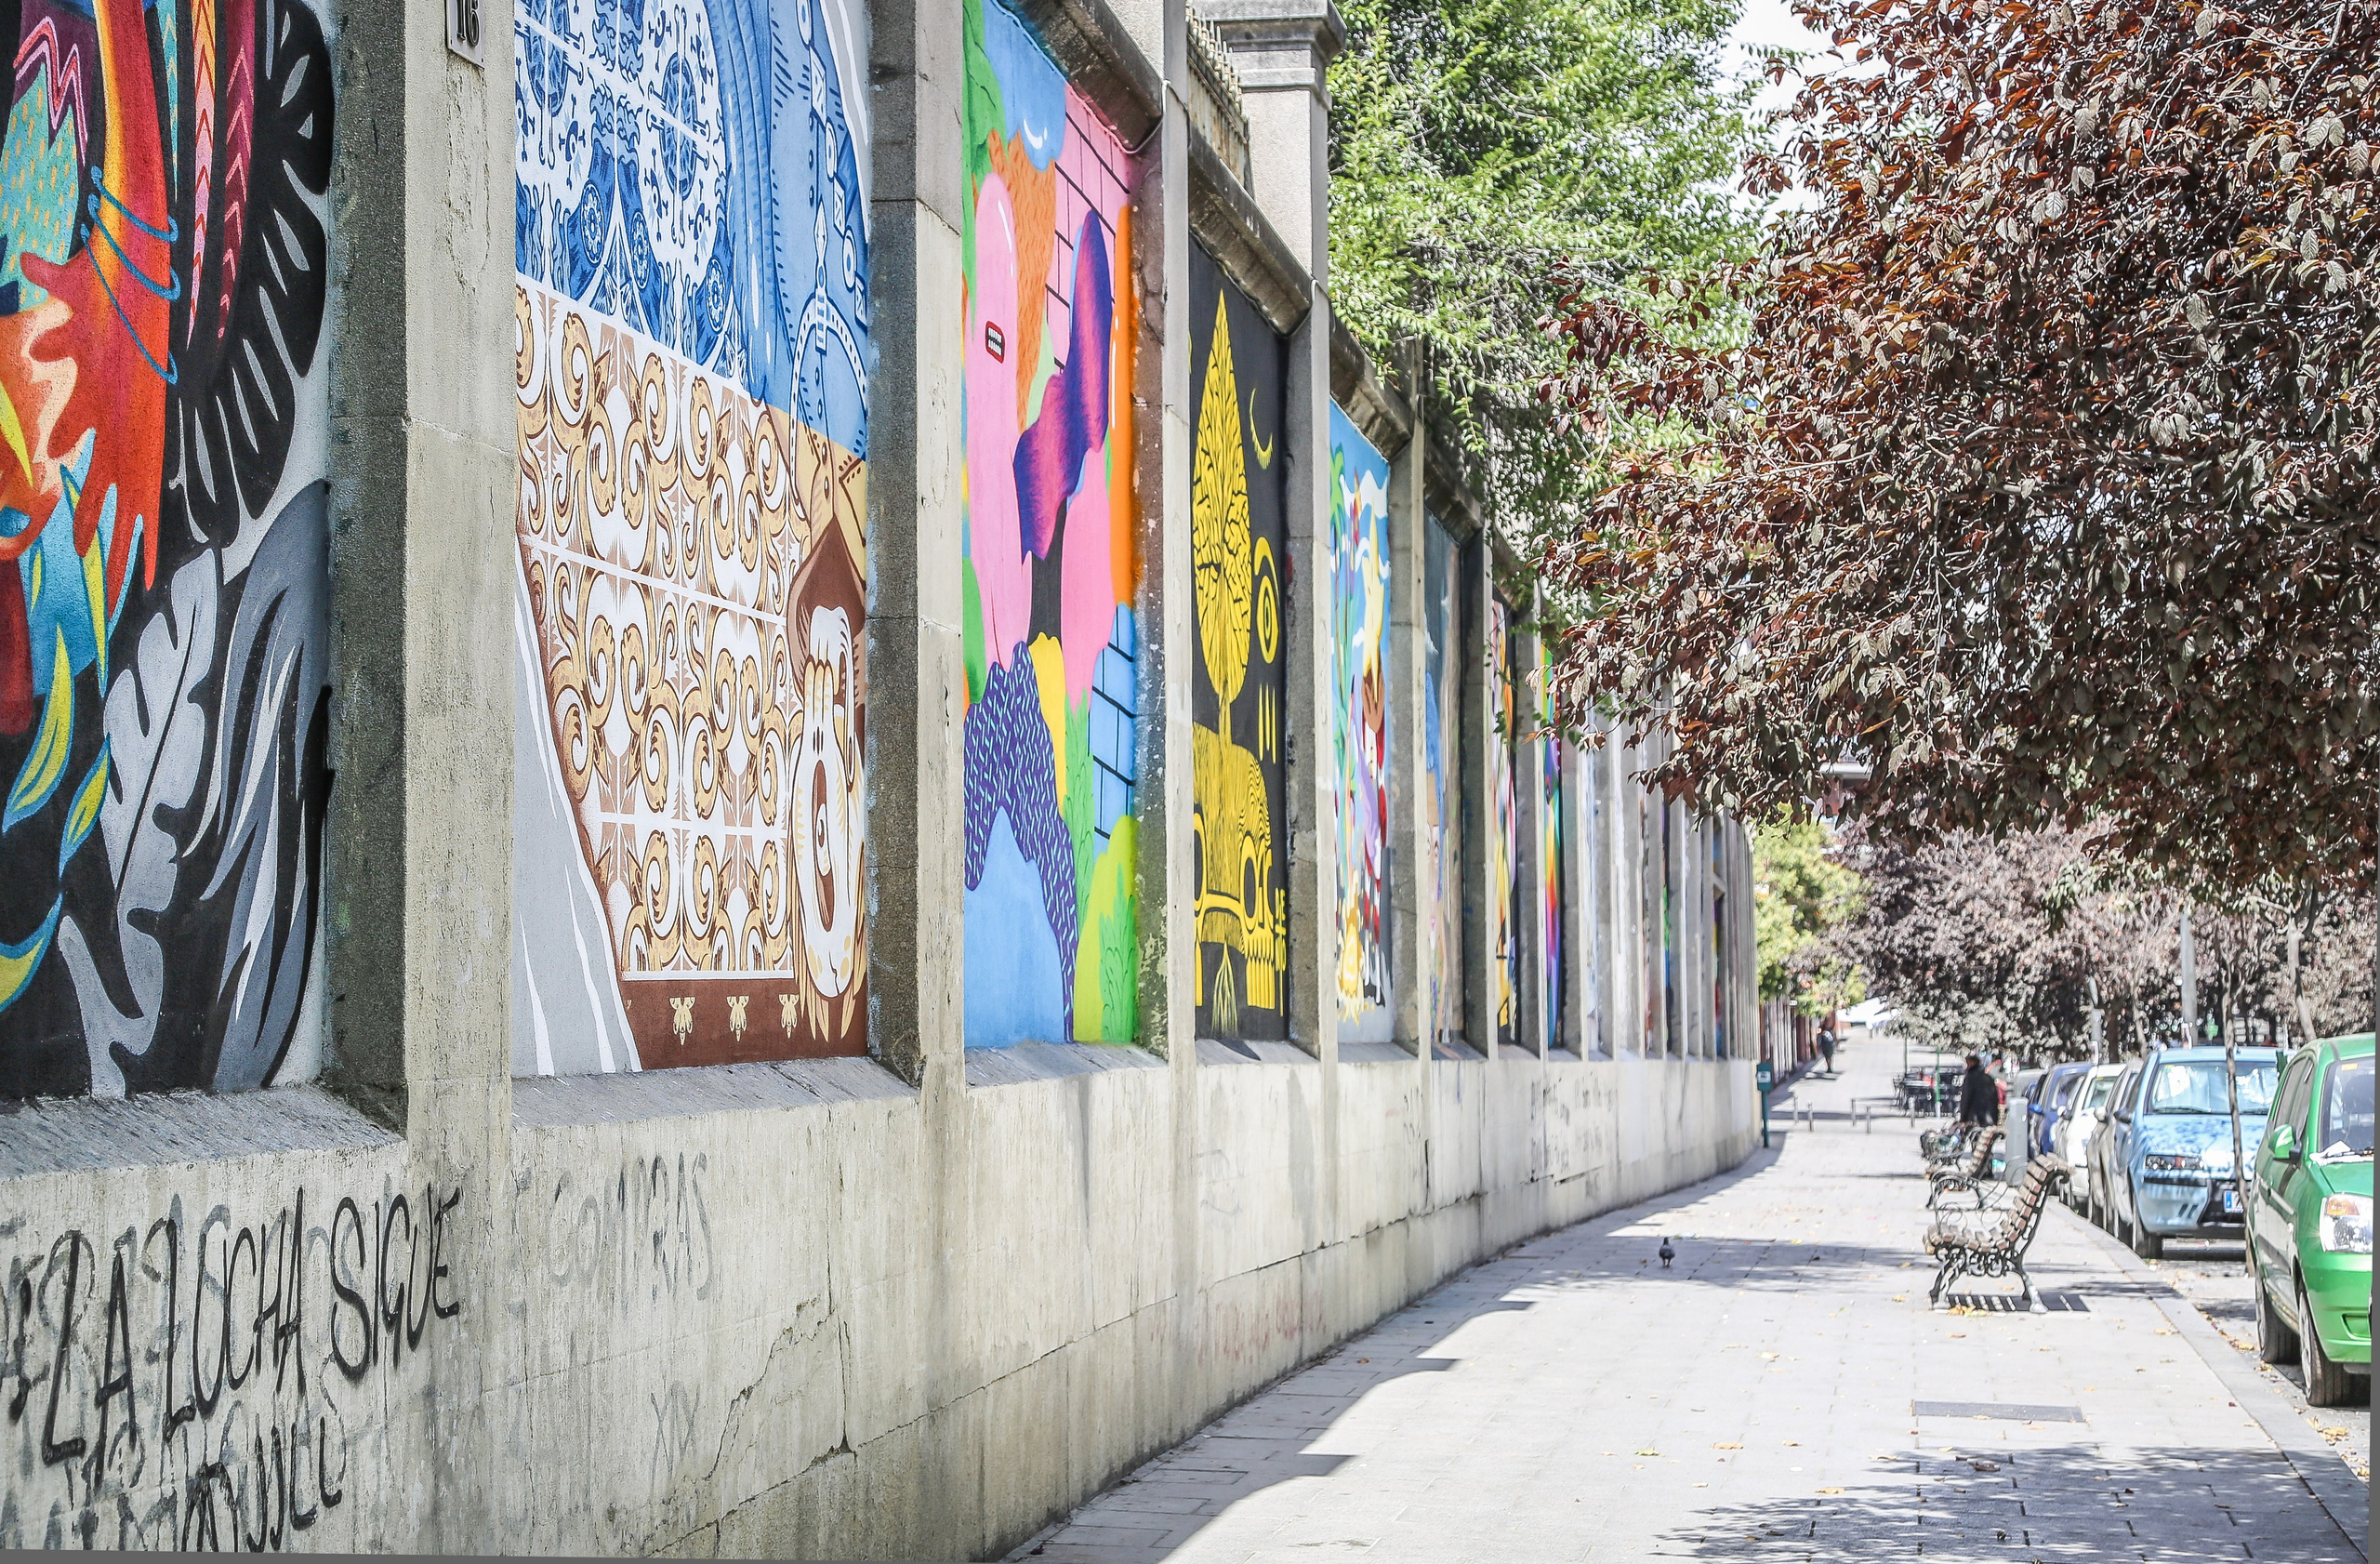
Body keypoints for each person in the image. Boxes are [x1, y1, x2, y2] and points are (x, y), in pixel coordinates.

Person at [1957, 1053, 2000, 1129]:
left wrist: (1963, 1118)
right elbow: (1995, 1098)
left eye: (1967, 1062)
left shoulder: (1970, 1078)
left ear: (1972, 1062)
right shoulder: (1988, 1077)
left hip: (1975, 1118)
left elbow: (1966, 1098)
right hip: (1989, 1118)